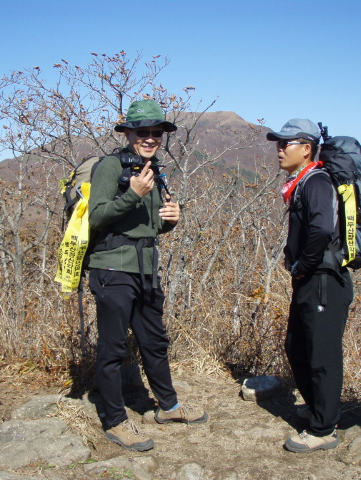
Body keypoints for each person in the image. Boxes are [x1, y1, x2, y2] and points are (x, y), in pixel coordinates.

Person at [88, 99, 207, 451]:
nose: (151, 138)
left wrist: (169, 221)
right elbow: (96, 217)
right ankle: (115, 422)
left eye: (157, 133)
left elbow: (148, 228)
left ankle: (168, 407)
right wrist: (133, 194)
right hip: (111, 268)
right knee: (113, 348)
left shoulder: (153, 169)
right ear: (128, 133)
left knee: (154, 341)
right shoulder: (112, 166)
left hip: (145, 269)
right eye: (143, 132)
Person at [267, 118, 353, 453]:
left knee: (321, 355)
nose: (278, 148)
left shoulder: (316, 181)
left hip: (323, 281)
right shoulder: (302, 182)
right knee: (297, 347)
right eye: (278, 142)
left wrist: (302, 264)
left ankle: (323, 430)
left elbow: (320, 230)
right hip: (312, 280)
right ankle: (321, 410)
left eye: (285, 143)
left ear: (306, 149)